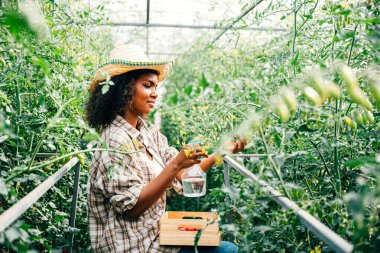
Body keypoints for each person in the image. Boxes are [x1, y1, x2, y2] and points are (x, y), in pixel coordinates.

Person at [85, 44, 246, 253]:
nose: (154, 94)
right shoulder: (114, 141)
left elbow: (184, 175)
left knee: (225, 246)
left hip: (155, 237)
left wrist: (222, 152)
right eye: (147, 85)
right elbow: (133, 209)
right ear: (123, 89)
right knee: (227, 251)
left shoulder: (148, 133)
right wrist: (176, 163)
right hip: (134, 247)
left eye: (155, 87)